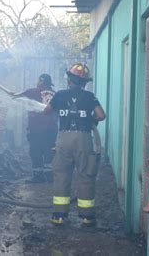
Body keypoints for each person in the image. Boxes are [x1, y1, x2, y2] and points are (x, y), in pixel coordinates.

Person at [44, 63, 106, 226]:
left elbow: (47, 111)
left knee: (62, 176)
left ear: (69, 79)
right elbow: (101, 115)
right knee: (86, 175)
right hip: (83, 140)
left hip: (63, 139)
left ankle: (59, 215)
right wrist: (90, 119)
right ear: (84, 82)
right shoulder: (89, 96)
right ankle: (87, 217)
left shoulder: (59, 95)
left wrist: (61, 110)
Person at [10, 74, 58, 183]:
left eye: (38, 80)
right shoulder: (56, 94)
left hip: (36, 129)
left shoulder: (33, 92)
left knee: (35, 151)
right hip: (51, 129)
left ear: (41, 81)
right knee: (49, 151)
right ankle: (49, 176)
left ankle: (38, 176)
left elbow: (17, 96)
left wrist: (13, 94)